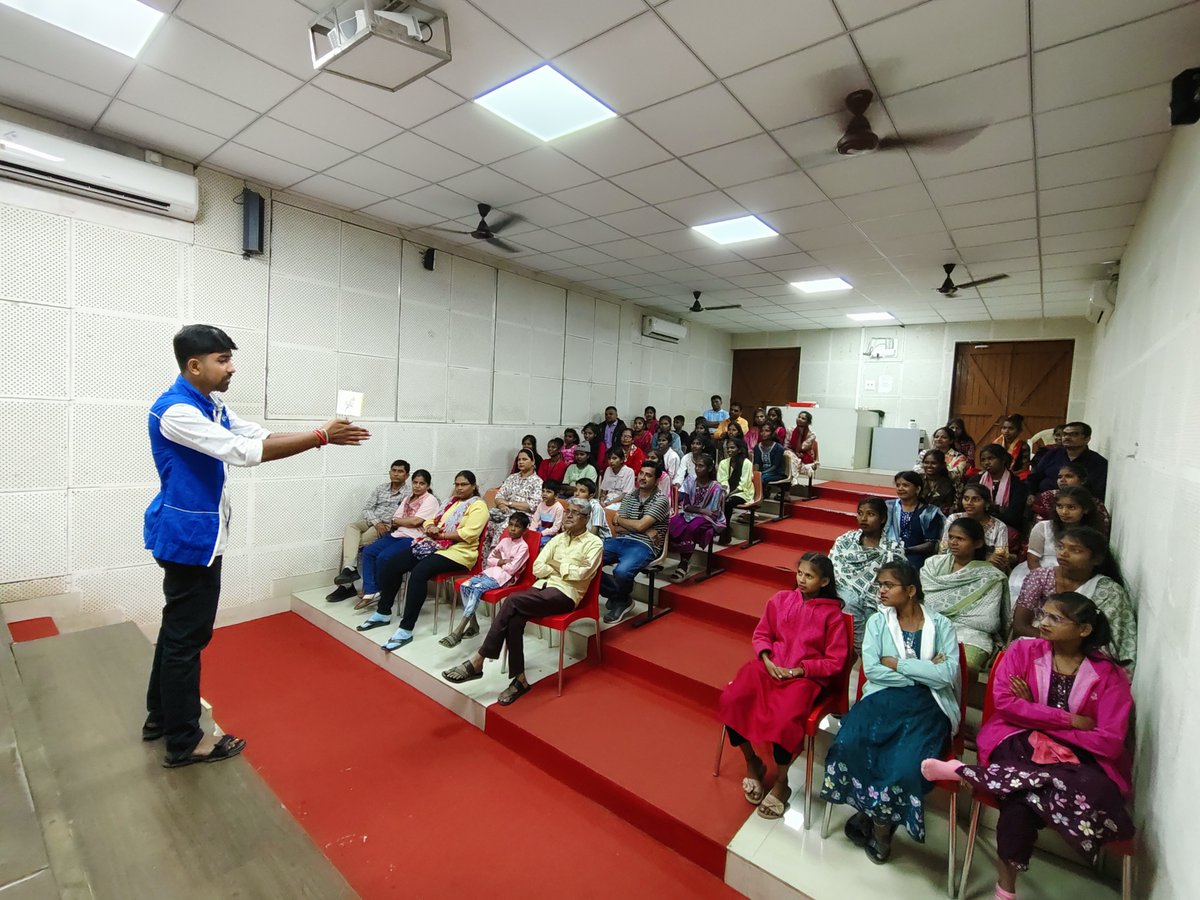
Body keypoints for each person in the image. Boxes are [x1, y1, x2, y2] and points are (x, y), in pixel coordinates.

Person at [144, 324, 369, 767]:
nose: (231, 368)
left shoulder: (208, 403)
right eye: (222, 360)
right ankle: (185, 741)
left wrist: (318, 432)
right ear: (195, 365)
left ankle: (161, 720)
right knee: (187, 640)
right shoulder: (175, 412)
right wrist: (320, 439)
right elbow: (241, 453)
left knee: (179, 633)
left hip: (199, 537)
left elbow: (257, 436)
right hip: (189, 539)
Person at [921, 594, 1134, 899]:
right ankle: (1006, 890)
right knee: (1026, 781)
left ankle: (968, 773)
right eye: (1042, 615)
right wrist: (1068, 720)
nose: (1042, 623)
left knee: (1024, 797)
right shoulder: (1023, 650)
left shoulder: (1109, 675)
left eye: (1054, 618)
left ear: (1084, 630)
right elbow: (1006, 704)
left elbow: (1110, 741)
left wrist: (1036, 714)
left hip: (1080, 756)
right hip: (1019, 739)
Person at [822, 561, 960, 864]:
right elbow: (873, 670)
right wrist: (925, 671)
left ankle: (882, 828)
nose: (880, 591)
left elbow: (947, 675)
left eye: (888, 585)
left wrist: (898, 664)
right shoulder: (877, 621)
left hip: (928, 705)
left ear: (910, 590)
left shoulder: (942, 625)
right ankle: (871, 810)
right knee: (849, 743)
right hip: (882, 698)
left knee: (907, 764)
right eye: (879, 584)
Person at [719, 553, 850, 819]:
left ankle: (782, 782)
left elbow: (835, 661)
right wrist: (766, 658)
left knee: (784, 721)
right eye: (799, 573)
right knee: (733, 699)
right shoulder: (780, 600)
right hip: (771, 667)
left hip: (804, 678)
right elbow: (762, 634)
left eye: (809, 576)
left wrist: (800, 670)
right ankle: (752, 762)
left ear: (825, 581)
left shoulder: (833, 616)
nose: (801, 580)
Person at [441, 499, 604, 705]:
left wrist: (555, 565)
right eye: (568, 511)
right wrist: (562, 568)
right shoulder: (558, 539)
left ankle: (479, 660)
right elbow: (537, 568)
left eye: (576, 513)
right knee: (515, 619)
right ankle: (519, 680)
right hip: (541, 589)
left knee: (512, 600)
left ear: (587, 519)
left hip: (566, 595)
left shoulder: (594, 543)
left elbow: (582, 575)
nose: (569, 516)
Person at [357, 471, 487, 648]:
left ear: (474, 486)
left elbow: (468, 534)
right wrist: (431, 526)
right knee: (393, 563)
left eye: (464, 484)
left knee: (419, 572)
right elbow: (429, 521)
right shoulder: (451, 502)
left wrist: (439, 534)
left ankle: (406, 629)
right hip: (434, 545)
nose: (459, 488)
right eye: (456, 484)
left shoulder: (478, 506)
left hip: (459, 553)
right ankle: (383, 612)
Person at [1013, 526, 1137, 670]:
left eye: (1076, 550)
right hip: (1041, 643)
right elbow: (1020, 625)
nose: (1063, 553)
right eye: (1060, 547)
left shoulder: (1109, 591)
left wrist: (1070, 647)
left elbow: (1111, 640)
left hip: (1085, 656)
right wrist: (1055, 642)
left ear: (1096, 559)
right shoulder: (1040, 577)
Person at [920, 517, 1008, 678]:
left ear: (978, 543)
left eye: (960, 539)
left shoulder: (991, 577)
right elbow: (925, 605)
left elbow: (988, 621)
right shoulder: (932, 565)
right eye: (951, 537)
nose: (953, 542)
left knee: (959, 670)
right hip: (929, 627)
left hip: (971, 636)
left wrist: (944, 615)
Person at [439, 511, 531, 649]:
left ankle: (460, 628)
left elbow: (512, 569)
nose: (512, 529)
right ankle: (474, 625)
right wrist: (502, 560)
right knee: (466, 586)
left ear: (524, 530)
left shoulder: (523, 547)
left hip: (504, 579)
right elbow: (490, 559)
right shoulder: (504, 541)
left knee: (476, 589)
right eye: (510, 525)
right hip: (490, 572)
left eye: (517, 526)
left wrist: (499, 561)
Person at [351, 469, 438, 611]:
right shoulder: (408, 498)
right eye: (415, 482)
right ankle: (371, 590)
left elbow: (416, 522)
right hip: (398, 534)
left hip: (414, 537)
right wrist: (403, 521)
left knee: (384, 557)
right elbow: (394, 519)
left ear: (428, 486)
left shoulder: (430, 500)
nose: (417, 486)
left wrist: (401, 521)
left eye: (421, 483)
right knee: (369, 552)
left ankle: (382, 590)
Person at [328, 459, 411, 602]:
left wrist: (385, 524)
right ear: (389, 472)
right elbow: (367, 508)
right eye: (394, 470)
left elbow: (406, 515)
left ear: (407, 475)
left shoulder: (409, 493)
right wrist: (376, 522)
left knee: (355, 543)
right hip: (373, 521)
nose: (396, 474)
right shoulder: (381, 488)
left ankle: (347, 585)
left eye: (400, 471)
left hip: (388, 526)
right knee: (351, 527)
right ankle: (349, 568)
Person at [830, 497, 905, 651]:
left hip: (877, 600)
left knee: (878, 619)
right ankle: (863, 653)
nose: (863, 518)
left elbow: (898, 580)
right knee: (849, 601)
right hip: (844, 596)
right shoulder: (845, 541)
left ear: (882, 518)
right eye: (860, 513)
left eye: (870, 514)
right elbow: (832, 570)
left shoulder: (892, 549)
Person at [600, 461, 670, 623]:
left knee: (622, 572)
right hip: (622, 539)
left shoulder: (661, 500)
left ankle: (621, 600)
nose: (643, 478)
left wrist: (628, 523)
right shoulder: (631, 495)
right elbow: (618, 527)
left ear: (657, 479)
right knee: (589, 560)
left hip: (645, 545)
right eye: (641, 473)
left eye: (648, 475)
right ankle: (618, 596)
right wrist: (642, 528)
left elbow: (633, 525)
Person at [1009, 485, 1100, 598]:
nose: (1064, 512)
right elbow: (1033, 562)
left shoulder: (1092, 534)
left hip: (1078, 579)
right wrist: (1045, 583)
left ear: (1085, 509)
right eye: (1060, 506)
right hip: (1041, 576)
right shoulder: (1043, 528)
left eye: (1071, 507)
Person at [668, 453, 726, 581]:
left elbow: (713, 512)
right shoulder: (690, 480)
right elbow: (687, 506)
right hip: (691, 513)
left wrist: (702, 512)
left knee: (692, 527)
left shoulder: (716, 487)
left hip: (710, 518)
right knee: (673, 522)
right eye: (696, 466)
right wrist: (701, 510)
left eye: (701, 466)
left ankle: (684, 563)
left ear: (709, 468)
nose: (697, 469)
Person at [483, 449, 542, 559]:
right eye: (519, 459)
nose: (521, 462)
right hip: (505, 512)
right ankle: (484, 561)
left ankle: (496, 559)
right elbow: (499, 496)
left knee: (503, 526)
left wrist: (509, 503)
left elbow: (531, 505)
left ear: (533, 462)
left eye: (524, 459)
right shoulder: (512, 478)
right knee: (486, 522)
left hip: (523, 516)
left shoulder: (537, 482)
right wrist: (502, 506)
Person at [1030, 421, 1109, 500]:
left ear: (1086, 439)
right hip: (1043, 502)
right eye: (1065, 434)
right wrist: (1031, 494)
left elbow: (1097, 492)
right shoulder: (1052, 454)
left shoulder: (1097, 462)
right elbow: (1034, 477)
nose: (1067, 437)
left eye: (1073, 434)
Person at [885, 471, 946, 570]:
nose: (900, 488)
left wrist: (905, 550)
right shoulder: (888, 507)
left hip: (915, 557)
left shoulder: (929, 512)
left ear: (917, 489)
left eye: (905, 485)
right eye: (898, 485)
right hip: (887, 554)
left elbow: (931, 544)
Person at [941, 482, 1009, 569]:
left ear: (987, 503)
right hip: (954, 566)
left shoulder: (999, 526)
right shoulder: (954, 519)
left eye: (975, 499)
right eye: (966, 498)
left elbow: (1000, 559)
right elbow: (944, 550)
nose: (969, 503)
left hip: (986, 570)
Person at [1032, 461, 1111, 534]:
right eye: (1059, 477)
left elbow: (1102, 529)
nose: (1062, 480)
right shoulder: (1048, 496)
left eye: (1069, 476)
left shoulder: (1093, 502)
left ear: (1083, 480)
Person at [974, 442, 1029, 532]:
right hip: (978, 524)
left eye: (990, 458)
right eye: (983, 460)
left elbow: (1013, 517)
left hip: (1006, 527)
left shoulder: (1017, 485)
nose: (986, 463)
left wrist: (986, 513)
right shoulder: (976, 481)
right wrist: (997, 509)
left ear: (1003, 459)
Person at [717, 437, 754, 545]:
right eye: (728, 448)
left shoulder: (746, 463)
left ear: (739, 449)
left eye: (732, 447)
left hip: (743, 492)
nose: (729, 450)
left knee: (728, 502)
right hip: (727, 491)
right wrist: (725, 492)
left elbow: (744, 484)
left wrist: (729, 494)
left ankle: (725, 529)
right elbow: (722, 480)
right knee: (718, 500)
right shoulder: (724, 463)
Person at [919, 449, 957, 515]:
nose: (929, 466)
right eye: (926, 462)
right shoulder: (917, 479)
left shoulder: (949, 485)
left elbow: (948, 509)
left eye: (933, 463)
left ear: (942, 465)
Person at [532, 480, 564, 547]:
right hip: (540, 530)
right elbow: (535, 520)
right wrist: (533, 531)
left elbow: (556, 528)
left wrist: (542, 534)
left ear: (556, 495)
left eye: (548, 492)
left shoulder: (559, 508)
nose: (544, 494)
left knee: (539, 543)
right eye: (543, 491)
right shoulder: (541, 504)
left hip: (551, 533)